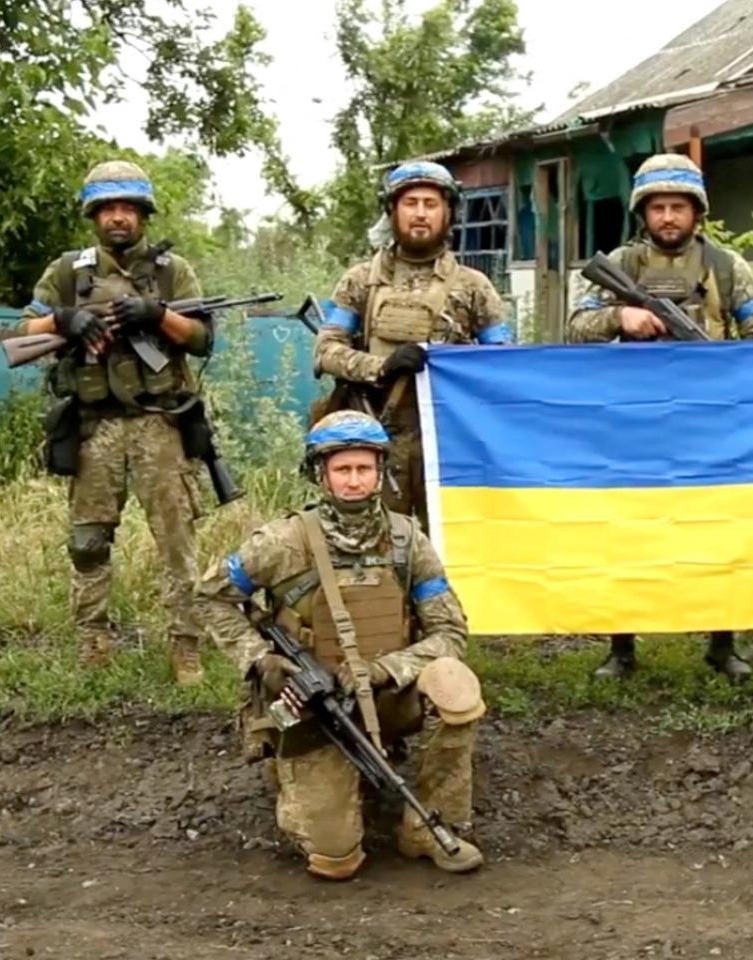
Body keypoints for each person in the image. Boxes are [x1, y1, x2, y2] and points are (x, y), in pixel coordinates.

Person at [195, 411, 484, 880]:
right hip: (312, 708)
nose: (354, 481)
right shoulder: (282, 541)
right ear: (321, 474)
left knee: (455, 683)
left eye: (364, 468)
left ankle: (429, 824)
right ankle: (292, 777)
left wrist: (386, 669)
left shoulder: (407, 540)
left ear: (380, 472)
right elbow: (210, 598)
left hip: (388, 693)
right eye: (342, 469)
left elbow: (450, 633)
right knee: (336, 860)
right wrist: (261, 660)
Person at [566, 152, 753, 681]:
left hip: (709, 419)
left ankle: (722, 643)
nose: (667, 217)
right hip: (632, 420)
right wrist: (622, 315)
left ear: (696, 211)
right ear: (644, 212)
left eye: (677, 207)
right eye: (658, 207)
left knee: (718, 530)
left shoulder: (728, 267)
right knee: (628, 533)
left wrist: (736, 364)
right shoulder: (622, 263)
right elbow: (574, 326)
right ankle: (621, 647)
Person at [16, 159, 211, 683]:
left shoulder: (173, 272)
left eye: (128, 208)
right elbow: (21, 331)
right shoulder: (67, 273)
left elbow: (202, 338)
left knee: (176, 542)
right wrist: (63, 319)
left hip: (160, 425)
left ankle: (185, 645)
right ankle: (93, 642)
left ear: (143, 214)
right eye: (109, 209)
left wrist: (157, 315)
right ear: (94, 215)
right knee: (87, 542)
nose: (119, 218)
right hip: (93, 426)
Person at [315, 161, 513, 534]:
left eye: (430, 203)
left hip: (449, 442)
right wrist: (381, 367)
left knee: (449, 543)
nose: (420, 213)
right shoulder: (361, 280)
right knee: (376, 546)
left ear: (448, 213)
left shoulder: (474, 286)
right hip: (376, 436)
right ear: (393, 211)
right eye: (410, 203)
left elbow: (501, 365)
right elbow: (326, 350)